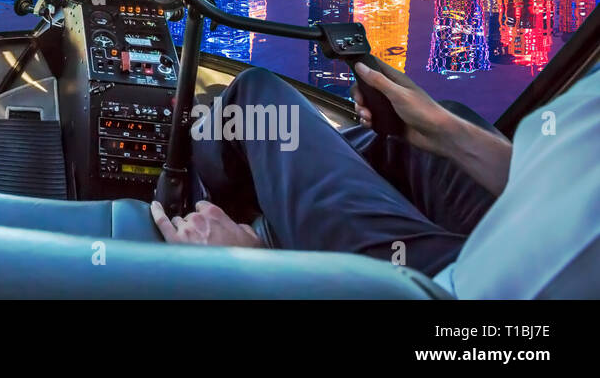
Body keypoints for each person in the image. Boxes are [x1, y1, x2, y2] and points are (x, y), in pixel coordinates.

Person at [149, 59, 600, 298]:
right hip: (522, 237)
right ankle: (295, 211)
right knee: (430, 132)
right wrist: (444, 132)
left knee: (261, 102)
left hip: (447, 291)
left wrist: (255, 271)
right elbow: (571, 180)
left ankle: (215, 204)